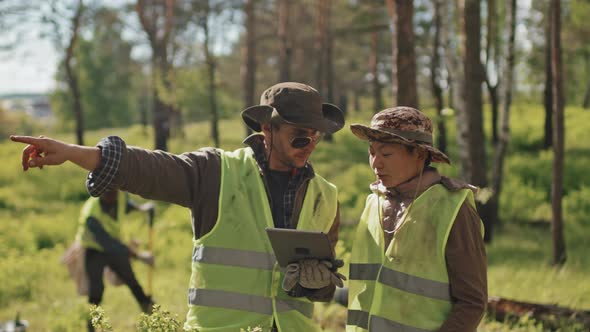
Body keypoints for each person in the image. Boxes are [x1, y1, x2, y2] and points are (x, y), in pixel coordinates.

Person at [11, 82, 346, 332]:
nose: (311, 144)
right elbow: (149, 168)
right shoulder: (216, 172)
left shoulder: (326, 196)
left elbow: (322, 291)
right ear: (266, 129)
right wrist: (75, 153)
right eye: (300, 135)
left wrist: (317, 284)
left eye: (317, 135)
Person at [346, 107, 487, 331]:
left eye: (386, 154)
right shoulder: (373, 202)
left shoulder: (452, 208)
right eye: (372, 153)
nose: (376, 163)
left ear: (420, 154)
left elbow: (472, 303)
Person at [66, 189, 155, 332]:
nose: (112, 195)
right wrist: (139, 256)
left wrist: (141, 208)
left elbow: (125, 205)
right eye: (108, 192)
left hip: (114, 246)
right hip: (93, 249)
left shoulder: (120, 195)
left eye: (114, 191)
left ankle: (154, 318)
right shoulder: (91, 214)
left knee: (132, 281)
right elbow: (109, 244)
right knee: (96, 290)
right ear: (99, 192)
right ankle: (92, 326)